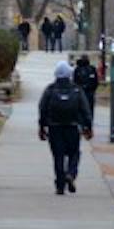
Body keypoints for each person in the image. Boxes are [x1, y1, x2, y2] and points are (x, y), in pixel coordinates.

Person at [38, 61, 94, 194]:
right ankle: (71, 173)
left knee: (58, 155)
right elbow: (85, 110)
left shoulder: (50, 90)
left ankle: (60, 184)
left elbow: (42, 108)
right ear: (69, 74)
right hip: (72, 126)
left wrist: (42, 126)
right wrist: (88, 126)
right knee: (74, 153)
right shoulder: (76, 90)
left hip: (54, 127)